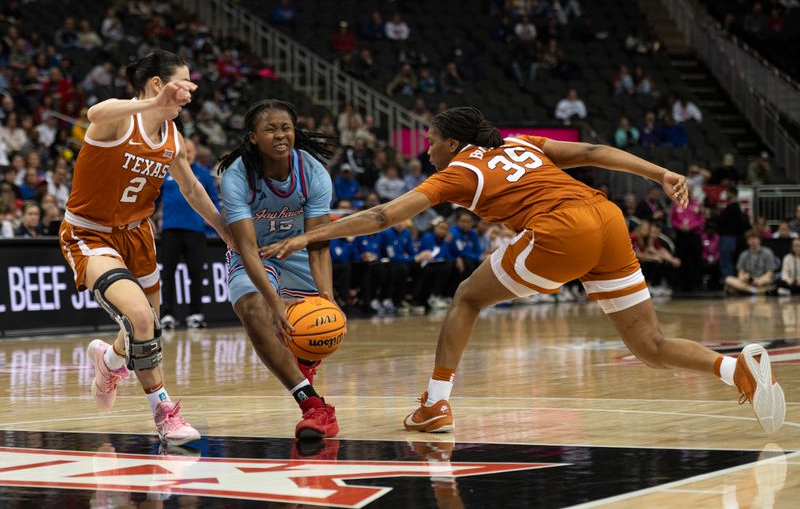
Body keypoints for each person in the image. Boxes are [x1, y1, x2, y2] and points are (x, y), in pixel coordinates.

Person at [264, 107, 785, 435]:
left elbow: (382, 216)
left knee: (466, 297)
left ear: (451, 142)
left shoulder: (456, 172)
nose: (426, 148)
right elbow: (592, 151)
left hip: (561, 229)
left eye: (430, 139)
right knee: (648, 344)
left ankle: (437, 406)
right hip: (606, 218)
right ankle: (735, 369)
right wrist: (660, 171)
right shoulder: (519, 143)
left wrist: (310, 235)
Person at [58, 51, 234, 445]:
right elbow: (94, 112)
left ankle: (110, 361)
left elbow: (190, 187)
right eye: (184, 82)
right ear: (159, 84)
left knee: (146, 328)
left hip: (137, 235)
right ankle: (165, 413)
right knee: (138, 315)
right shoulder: (121, 119)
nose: (191, 91)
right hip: (90, 233)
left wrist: (223, 229)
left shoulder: (172, 136)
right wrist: (153, 104)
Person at [217, 99, 339, 439]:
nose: (280, 135)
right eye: (270, 129)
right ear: (253, 137)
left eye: (286, 127)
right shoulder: (237, 176)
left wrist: (327, 296)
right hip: (255, 254)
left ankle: (305, 363)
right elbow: (246, 247)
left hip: (299, 251)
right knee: (254, 309)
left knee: (315, 327)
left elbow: (318, 242)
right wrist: (273, 302)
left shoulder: (313, 172)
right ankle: (313, 406)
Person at [159, 138, 219, 330]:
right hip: (170, 229)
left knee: (196, 273)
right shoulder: (166, 170)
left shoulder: (204, 175)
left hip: (195, 231)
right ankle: (167, 314)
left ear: (195, 151)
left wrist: (216, 225)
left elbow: (213, 203)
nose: (187, 152)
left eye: (190, 149)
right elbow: (153, 199)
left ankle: (195, 313)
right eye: (184, 148)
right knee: (167, 274)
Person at [725, 230, 777, 295]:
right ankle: (753, 290)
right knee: (728, 279)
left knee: (768, 279)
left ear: (759, 240)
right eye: (750, 239)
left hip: (762, 279)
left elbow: (770, 272)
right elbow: (740, 273)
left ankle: (745, 290)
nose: (753, 241)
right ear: (747, 241)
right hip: (748, 281)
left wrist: (759, 280)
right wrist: (744, 278)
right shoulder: (744, 254)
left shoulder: (767, 252)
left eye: (755, 238)